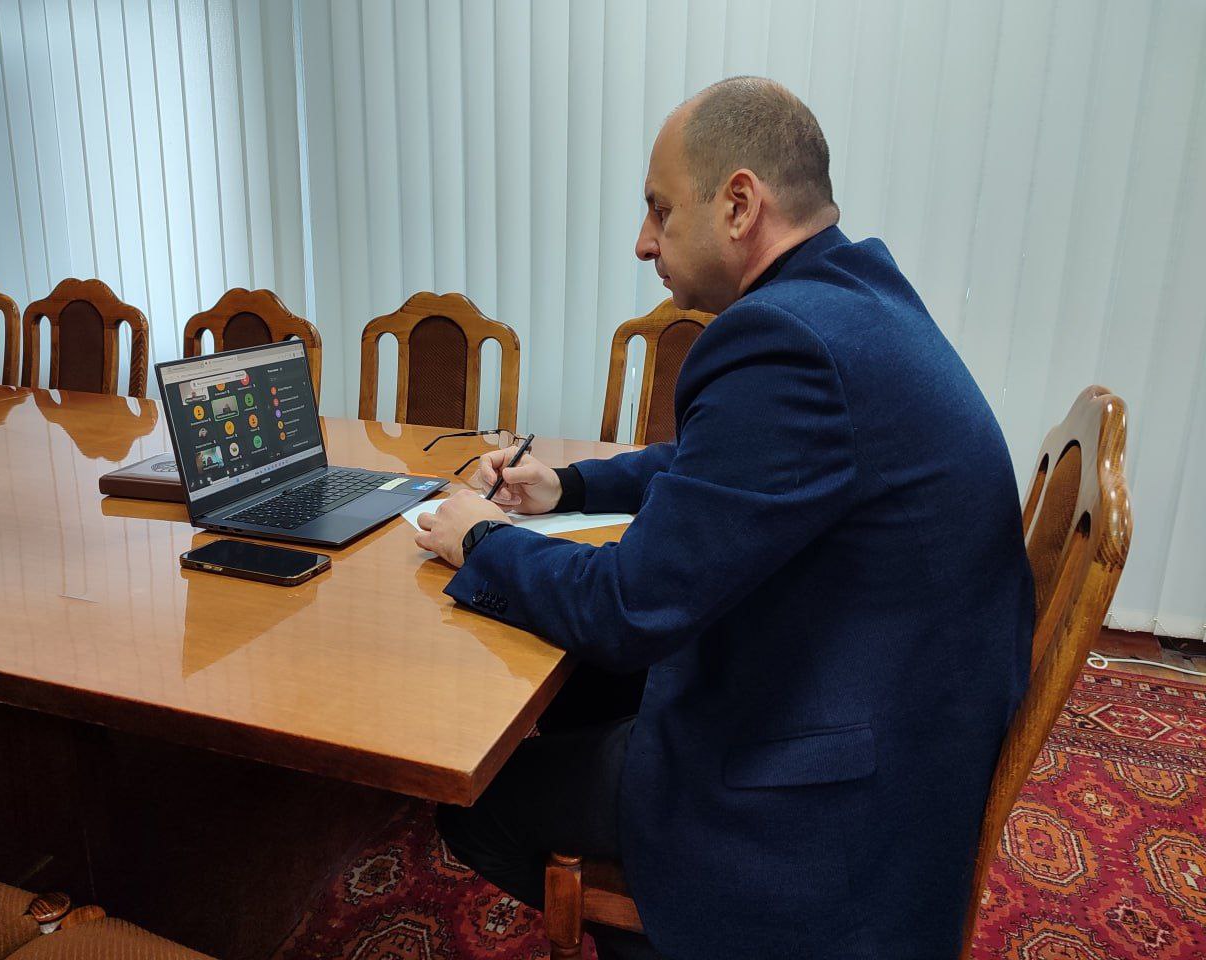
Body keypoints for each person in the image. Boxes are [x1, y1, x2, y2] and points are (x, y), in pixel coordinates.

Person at [415, 76, 1033, 960]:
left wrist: (478, 538)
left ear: (740, 204)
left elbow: (629, 607)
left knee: (473, 799)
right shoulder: (850, 295)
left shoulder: (785, 340)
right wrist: (569, 486)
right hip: (894, 714)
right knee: (578, 693)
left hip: (831, 806)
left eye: (660, 210)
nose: (643, 242)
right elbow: (716, 469)